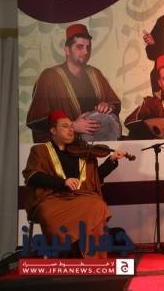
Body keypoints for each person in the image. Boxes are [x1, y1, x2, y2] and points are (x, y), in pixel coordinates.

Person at [22, 110, 129, 258]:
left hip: (81, 197)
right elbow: (33, 176)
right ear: (53, 130)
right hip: (52, 199)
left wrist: (111, 161)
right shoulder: (40, 151)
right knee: (47, 213)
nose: (71, 129)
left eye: (72, 126)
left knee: (98, 205)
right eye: (65, 126)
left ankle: (91, 259)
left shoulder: (82, 151)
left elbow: (94, 178)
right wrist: (63, 182)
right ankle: (64, 251)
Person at [26, 24, 121, 143]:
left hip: (98, 145)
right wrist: (72, 125)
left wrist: (108, 106)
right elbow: (36, 120)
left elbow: (114, 103)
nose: (86, 52)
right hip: (66, 147)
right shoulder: (49, 77)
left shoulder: (95, 73)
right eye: (80, 47)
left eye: (88, 47)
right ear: (67, 50)